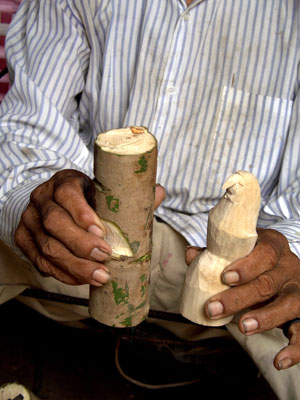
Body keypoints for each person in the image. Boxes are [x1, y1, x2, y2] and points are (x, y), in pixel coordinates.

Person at [0, 0, 300, 397]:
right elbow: (29, 128)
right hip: (86, 240)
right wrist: (32, 194)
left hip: (241, 266)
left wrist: (294, 245)